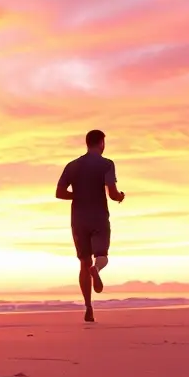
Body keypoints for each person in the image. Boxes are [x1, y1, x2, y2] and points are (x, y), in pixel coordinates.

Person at [55, 129, 124, 322]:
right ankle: (98, 269)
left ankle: (88, 307)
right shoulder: (106, 164)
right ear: (101, 143)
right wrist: (120, 197)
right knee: (101, 257)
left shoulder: (72, 166)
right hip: (99, 218)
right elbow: (112, 193)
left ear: (87, 143)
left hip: (78, 220)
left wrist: (77, 195)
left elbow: (59, 192)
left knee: (83, 263)